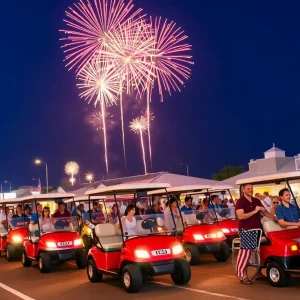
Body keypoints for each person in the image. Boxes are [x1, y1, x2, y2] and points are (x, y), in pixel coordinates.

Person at [235, 183, 276, 284]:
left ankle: (257, 273)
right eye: (248, 188)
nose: (250, 190)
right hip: (246, 230)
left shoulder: (256, 200)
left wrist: (274, 218)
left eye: (251, 188)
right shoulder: (240, 201)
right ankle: (241, 274)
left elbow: (264, 212)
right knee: (246, 252)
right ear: (243, 190)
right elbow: (241, 216)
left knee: (256, 252)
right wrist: (254, 211)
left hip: (257, 229)